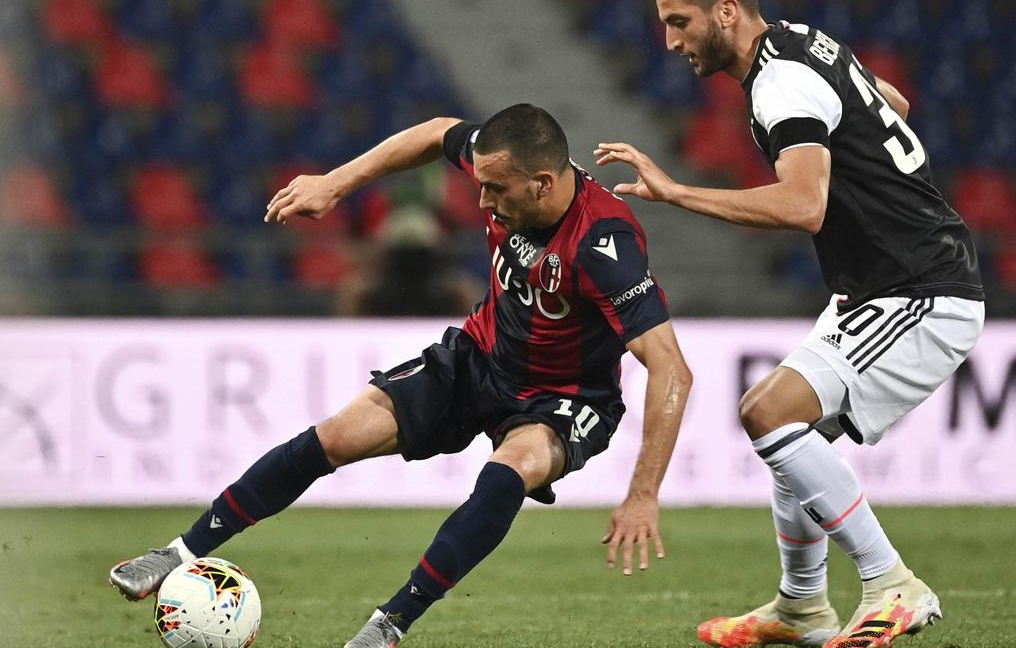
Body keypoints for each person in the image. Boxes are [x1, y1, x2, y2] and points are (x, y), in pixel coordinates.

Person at [109, 104, 693, 648]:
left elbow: (671, 367)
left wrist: (643, 495)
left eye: (496, 189)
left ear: (543, 183)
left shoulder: (605, 244)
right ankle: (177, 553)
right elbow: (437, 131)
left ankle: (389, 624)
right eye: (481, 183)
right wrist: (336, 183)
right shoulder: (503, 161)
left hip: (564, 396)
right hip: (480, 356)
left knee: (510, 470)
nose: (483, 200)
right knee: (336, 435)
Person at [593, 0, 985, 647]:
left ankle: (891, 583)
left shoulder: (779, 83)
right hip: (876, 286)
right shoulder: (802, 41)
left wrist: (675, 192)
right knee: (790, 431)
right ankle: (802, 606)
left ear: (726, 10)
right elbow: (891, 102)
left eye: (679, 21)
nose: (670, 40)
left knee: (767, 412)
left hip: (918, 288)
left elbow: (803, 206)